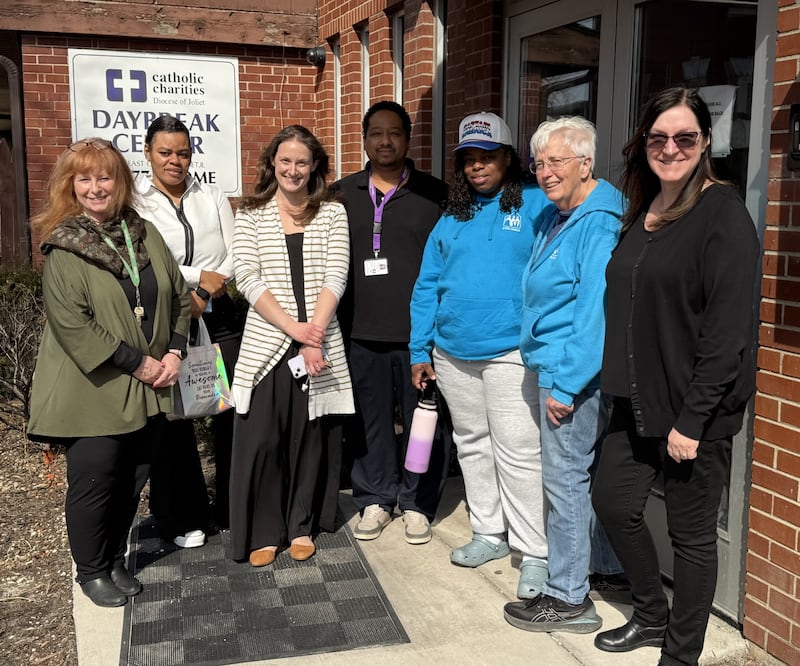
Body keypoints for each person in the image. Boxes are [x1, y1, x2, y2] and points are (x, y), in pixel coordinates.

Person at [591, 87, 760, 665]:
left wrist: (692, 420)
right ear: (643, 146)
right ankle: (649, 615)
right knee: (612, 503)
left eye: (685, 137)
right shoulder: (646, 211)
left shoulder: (722, 212)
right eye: (659, 138)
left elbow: (727, 331)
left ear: (705, 142)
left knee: (690, 541)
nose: (671, 148)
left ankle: (681, 654)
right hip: (634, 399)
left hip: (695, 412)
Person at [27, 137, 190, 607]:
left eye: (105, 177)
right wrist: (139, 362)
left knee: (133, 476)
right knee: (96, 480)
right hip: (94, 388)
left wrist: (175, 354)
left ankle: (115, 556)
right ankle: (92, 569)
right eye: (85, 179)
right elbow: (74, 324)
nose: (96, 188)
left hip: (152, 384)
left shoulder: (143, 233)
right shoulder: (63, 248)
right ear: (70, 186)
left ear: (120, 183)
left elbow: (179, 297)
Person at [409, 112, 549, 599]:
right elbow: (427, 284)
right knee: (472, 443)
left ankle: (535, 552)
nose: (477, 166)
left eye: (487, 156)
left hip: (510, 349)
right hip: (451, 352)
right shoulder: (452, 214)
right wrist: (418, 349)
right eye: (468, 158)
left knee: (519, 451)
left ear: (508, 158)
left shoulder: (537, 204)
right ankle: (489, 532)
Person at [503, 116, 624, 633]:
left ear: (585, 163)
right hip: (553, 363)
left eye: (557, 161)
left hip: (570, 372)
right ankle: (604, 567)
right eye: (540, 162)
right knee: (580, 476)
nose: (545, 172)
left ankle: (569, 597)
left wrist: (568, 384)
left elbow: (594, 311)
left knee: (565, 481)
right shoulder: (559, 216)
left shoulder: (597, 221)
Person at [229, 125, 354, 567]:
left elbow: (335, 275)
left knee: (310, 438)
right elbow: (246, 276)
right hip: (268, 341)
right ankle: (265, 530)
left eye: (302, 161)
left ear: (315, 165)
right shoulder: (250, 213)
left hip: (318, 343)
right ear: (272, 163)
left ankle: (300, 524)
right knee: (263, 439)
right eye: (285, 161)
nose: (293, 169)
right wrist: (292, 329)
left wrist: (313, 334)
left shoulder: (332, 214)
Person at [333, 101, 450, 545]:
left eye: (394, 133)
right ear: (364, 139)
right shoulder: (342, 194)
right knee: (370, 423)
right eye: (376, 133)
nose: (385, 141)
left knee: (425, 424)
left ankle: (417, 503)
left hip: (422, 337)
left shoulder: (435, 195)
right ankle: (374, 499)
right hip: (360, 333)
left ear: (408, 138)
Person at [136, 115, 242, 546]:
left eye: (182, 152)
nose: (175, 161)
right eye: (165, 152)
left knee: (231, 410)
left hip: (220, 315)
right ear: (148, 153)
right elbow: (144, 259)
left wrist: (210, 286)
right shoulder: (137, 203)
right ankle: (182, 514)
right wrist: (199, 278)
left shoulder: (211, 195)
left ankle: (234, 505)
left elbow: (235, 252)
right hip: (170, 318)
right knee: (174, 417)